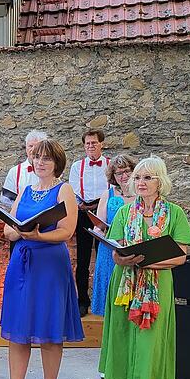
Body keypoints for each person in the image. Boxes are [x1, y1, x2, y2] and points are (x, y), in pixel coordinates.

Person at [98, 156, 190, 379]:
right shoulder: (125, 213)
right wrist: (124, 258)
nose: (140, 182)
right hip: (125, 287)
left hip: (157, 287)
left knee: (151, 345)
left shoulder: (174, 213)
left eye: (147, 177)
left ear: (160, 182)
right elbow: (116, 253)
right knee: (127, 341)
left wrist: (146, 261)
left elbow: (180, 257)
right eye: (137, 177)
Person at [0, 139, 84, 379]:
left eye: (46, 158)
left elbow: (67, 230)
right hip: (22, 263)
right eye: (37, 157)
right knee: (18, 330)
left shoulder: (65, 189)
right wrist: (17, 231)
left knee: (48, 330)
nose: (41, 162)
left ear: (56, 162)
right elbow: (9, 229)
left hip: (49, 265)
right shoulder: (25, 190)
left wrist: (38, 236)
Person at [69, 128, 110, 317]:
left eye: (94, 142)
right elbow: (74, 189)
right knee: (83, 258)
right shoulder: (78, 166)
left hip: (105, 214)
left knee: (106, 256)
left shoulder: (109, 164)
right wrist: (83, 205)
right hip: (84, 214)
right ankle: (82, 301)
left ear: (101, 143)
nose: (91, 146)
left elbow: (112, 187)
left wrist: (98, 205)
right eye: (87, 143)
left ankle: (106, 300)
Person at [90, 154, 136, 316]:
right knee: (110, 297)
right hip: (109, 250)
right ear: (113, 176)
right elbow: (98, 226)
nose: (123, 176)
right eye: (118, 173)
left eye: (127, 171)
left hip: (133, 249)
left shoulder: (142, 194)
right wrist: (100, 232)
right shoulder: (108, 195)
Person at [1, 130, 47, 205]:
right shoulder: (15, 171)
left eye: (37, 146)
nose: (33, 149)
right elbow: (5, 199)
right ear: (26, 148)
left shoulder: (50, 170)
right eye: (30, 146)